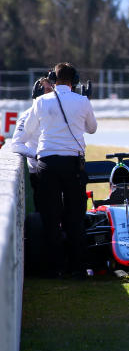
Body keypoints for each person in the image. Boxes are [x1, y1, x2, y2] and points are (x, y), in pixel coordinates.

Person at [18, 63, 97, 278]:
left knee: (50, 216)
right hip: (73, 164)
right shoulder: (82, 101)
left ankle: (55, 268)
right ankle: (77, 267)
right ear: (76, 81)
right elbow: (92, 128)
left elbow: (28, 130)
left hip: (47, 163)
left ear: (53, 79)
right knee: (75, 216)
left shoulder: (42, 101)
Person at [11, 76, 55, 210]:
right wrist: (38, 155)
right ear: (38, 93)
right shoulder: (27, 115)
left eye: (52, 90)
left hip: (57, 170)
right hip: (38, 174)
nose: (52, 94)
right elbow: (16, 144)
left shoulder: (58, 113)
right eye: (47, 90)